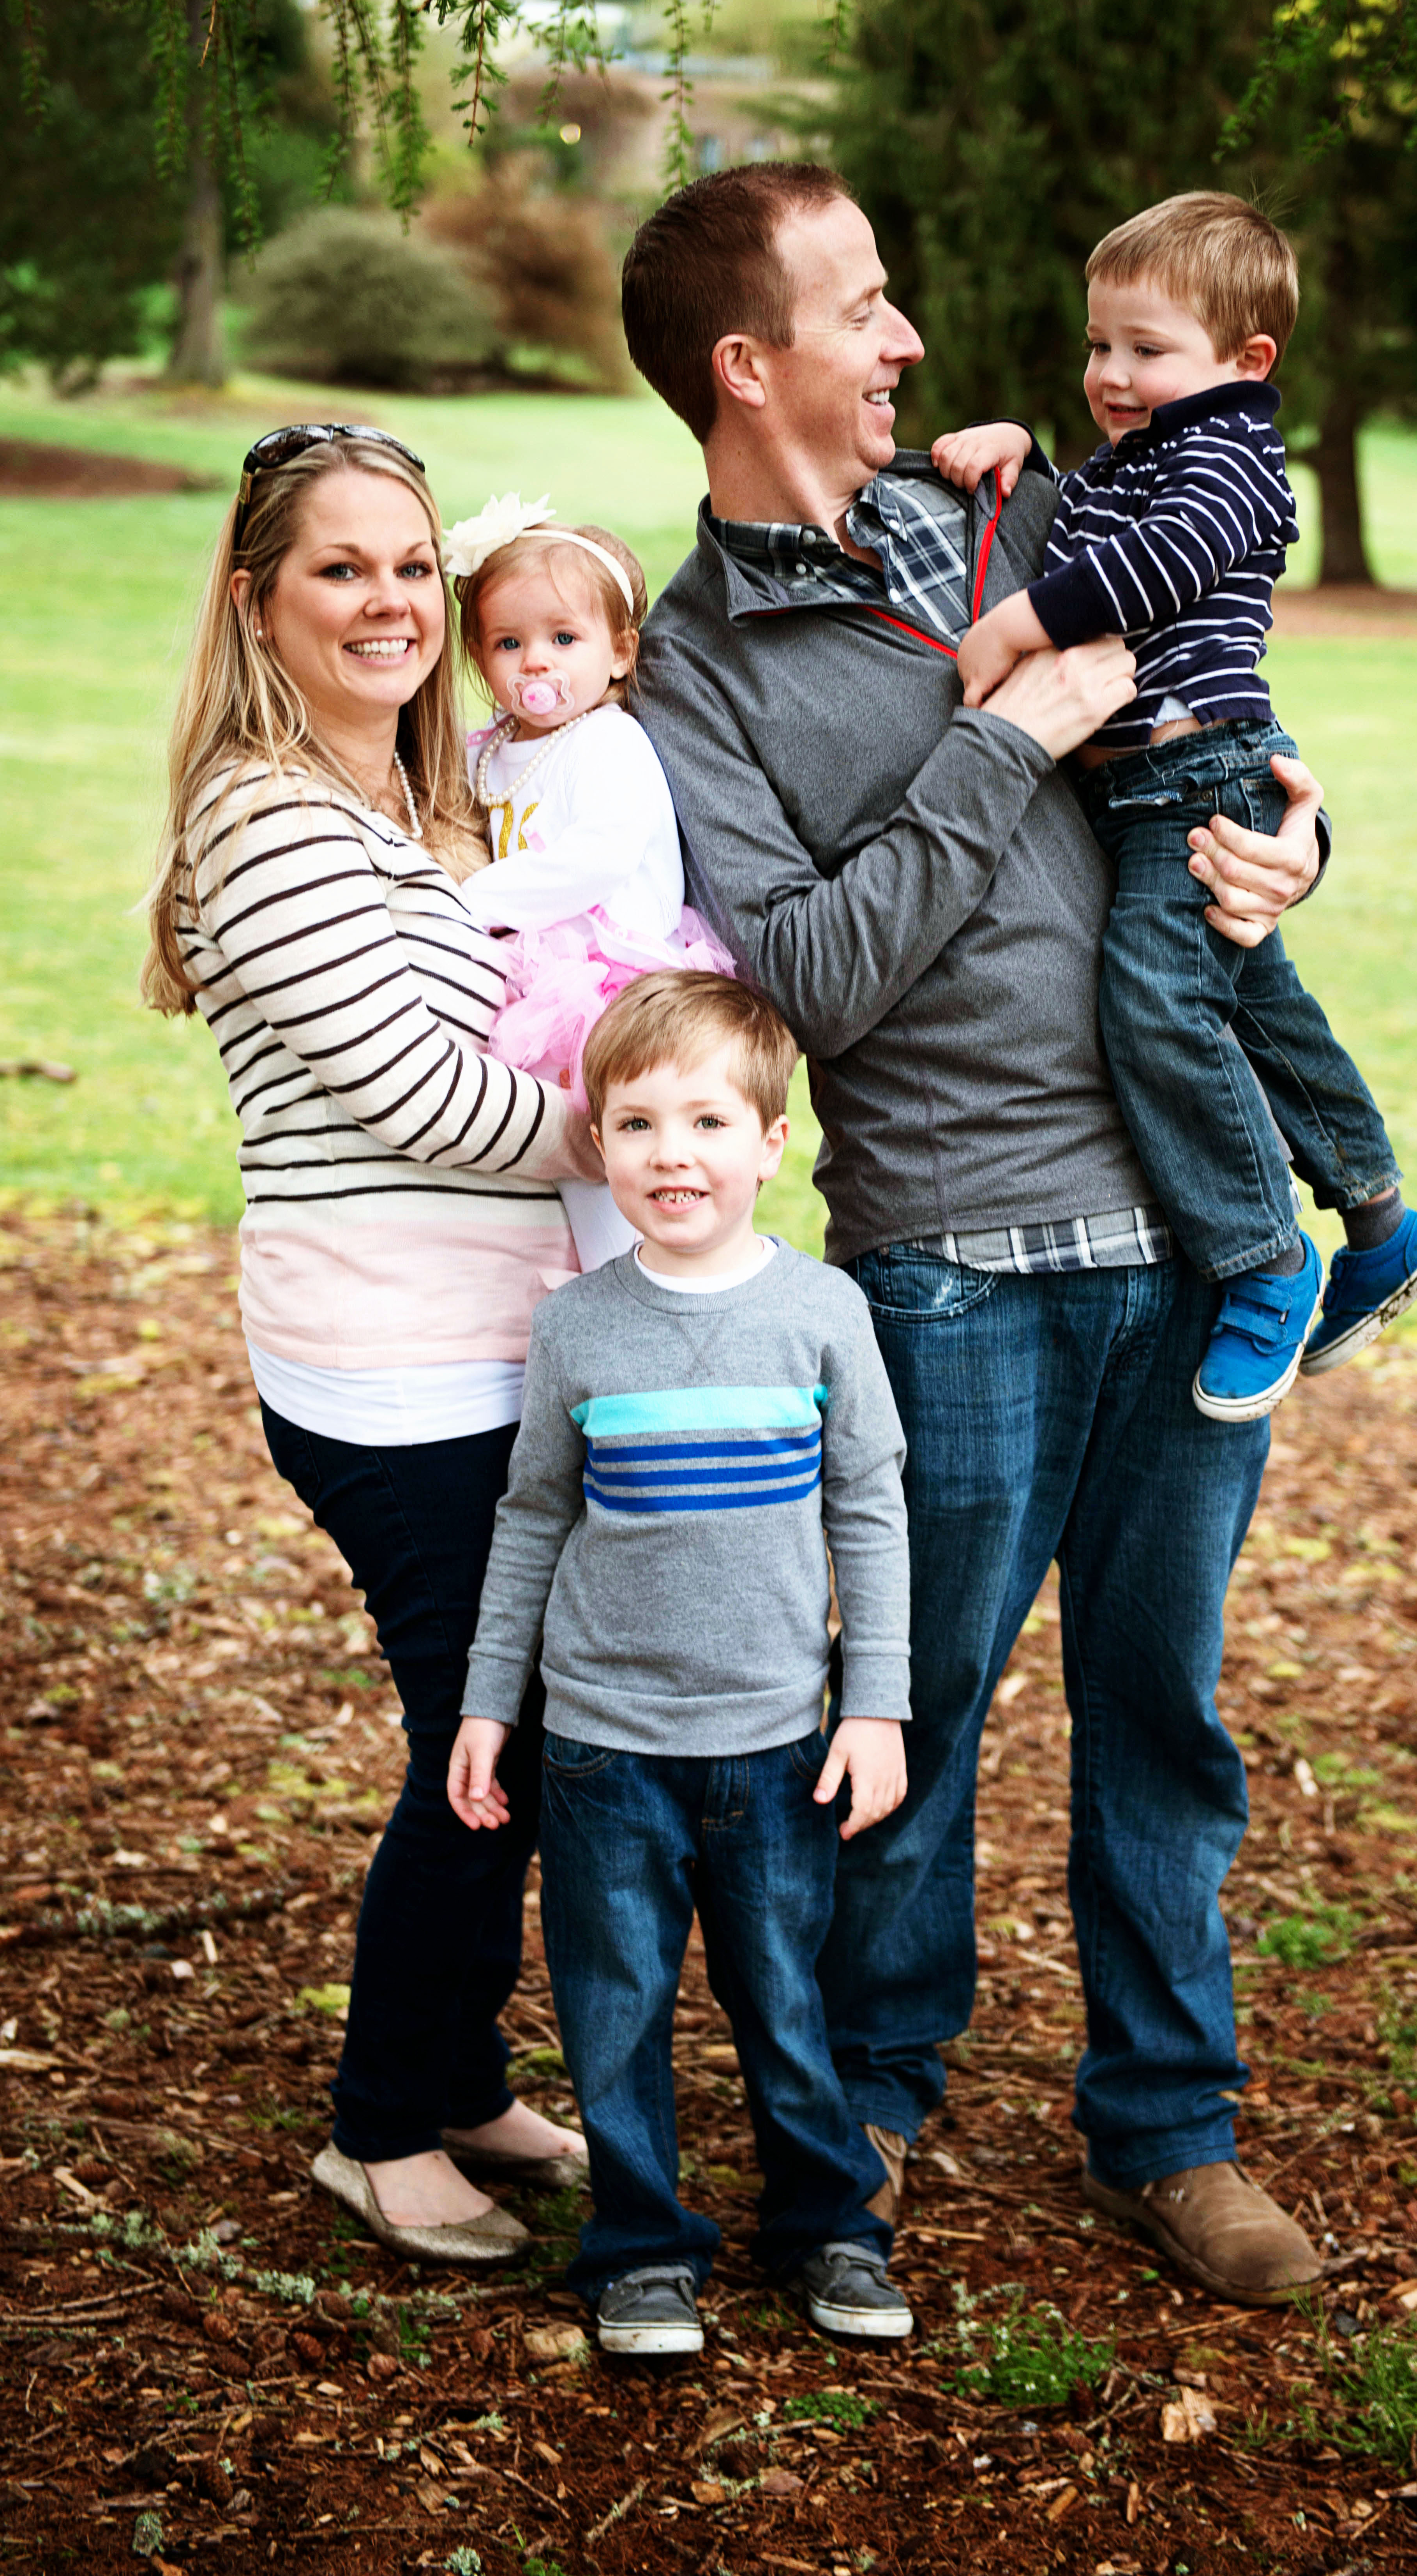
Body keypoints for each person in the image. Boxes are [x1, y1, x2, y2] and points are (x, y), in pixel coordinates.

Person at [619, 162, 1327, 2305]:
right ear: (748, 365)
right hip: (951, 1265)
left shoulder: (1016, 510)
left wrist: (1301, 843)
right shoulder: (691, 669)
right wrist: (1001, 739)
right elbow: (812, 979)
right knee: (908, 1708)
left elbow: (1214, 718)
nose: (912, 337)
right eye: (864, 305)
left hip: (1193, 1242)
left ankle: (1168, 2126)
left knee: (1162, 1707)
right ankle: (872, 2095)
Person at [141, 425, 594, 2265]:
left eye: (413, 566)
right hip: (391, 1367)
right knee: (488, 1738)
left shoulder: (432, 803)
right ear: (261, 601)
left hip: (493, 1346)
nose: (392, 601)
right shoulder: (264, 822)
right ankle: (380, 2123)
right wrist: (662, 1138)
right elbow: (429, 1096)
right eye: (342, 568)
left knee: (518, 1729)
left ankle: (460, 2070)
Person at [448, 969, 913, 2357]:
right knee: (616, 2009)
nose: (673, 1155)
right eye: (638, 1124)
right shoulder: (578, 1327)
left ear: (772, 1141)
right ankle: (642, 2249)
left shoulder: (823, 1311)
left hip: (775, 1745)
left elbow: (871, 1508)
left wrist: (876, 1704)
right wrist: (490, 1704)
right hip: (603, 1749)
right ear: (598, 1142)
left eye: (708, 1123)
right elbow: (533, 1517)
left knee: (785, 2001)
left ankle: (829, 2227)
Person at [934, 191, 1417, 1422]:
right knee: (1260, 1008)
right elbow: (1092, 525)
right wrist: (1025, 453)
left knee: (1155, 1009)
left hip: (1197, 777)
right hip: (1160, 790)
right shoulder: (1146, 458)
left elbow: (1156, 564)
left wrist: (1013, 628)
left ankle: (1264, 1259)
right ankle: (1381, 1223)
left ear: (1247, 361)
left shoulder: (1230, 456)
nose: (1112, 374)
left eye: (1147, 350)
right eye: (1098, 345)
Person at [444, 491, 735, 1273]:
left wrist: (472, 904)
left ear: (619, 653)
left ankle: (642, 1284)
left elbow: (598, 857)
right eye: (509, 643)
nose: (536, 661)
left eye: (563, 638)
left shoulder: (608, 741)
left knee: (612, 1164)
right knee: (558, 1161)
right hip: (539, 979)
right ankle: (593, 1288)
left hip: (610, 984)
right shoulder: (486, 750)